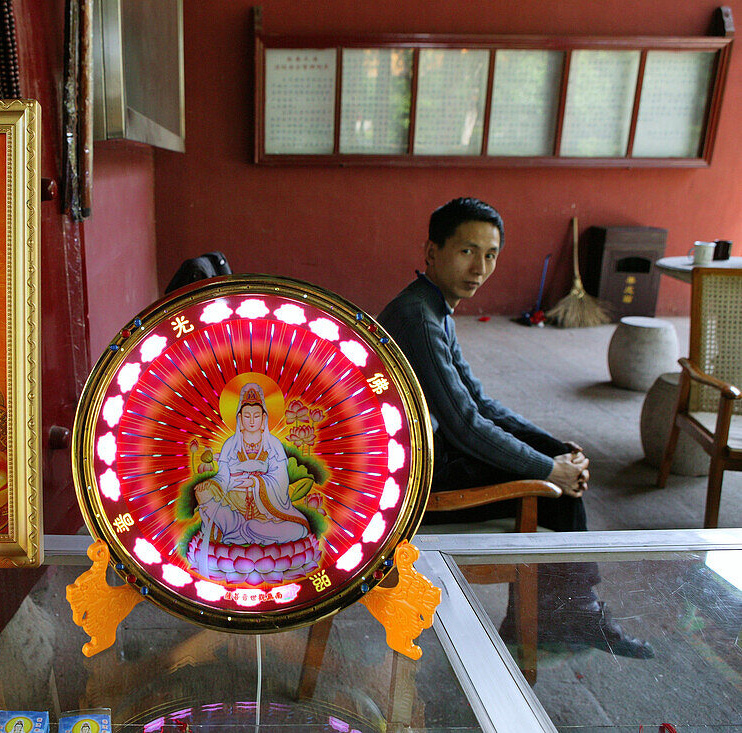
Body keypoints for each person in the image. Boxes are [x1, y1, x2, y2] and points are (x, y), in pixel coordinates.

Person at [378, 197, 652, 658]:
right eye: (467, 251)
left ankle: (561, 615)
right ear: (431, 252)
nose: (480, 267)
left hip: (432, 455)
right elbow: (465, 425)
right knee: (558, 491)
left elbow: (479, 402)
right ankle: (562, 617)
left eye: (490, 254)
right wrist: (550, 468)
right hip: (415, 485)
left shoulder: (432, 307)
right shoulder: (417, 317)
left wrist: (555, 448)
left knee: (558, 477)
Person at [195, 382, 310, 545]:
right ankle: (239, 529)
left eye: (256, 416)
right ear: (239, 418)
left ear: (264, 418)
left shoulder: (273, 445)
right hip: (235, 506)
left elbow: (281, 480)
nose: (251, 421)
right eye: (247, 416)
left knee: (299, 530)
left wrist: (255, 482)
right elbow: (222, 477)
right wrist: (210, 484)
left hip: (269, 512)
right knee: (204, 493)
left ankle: (244, 532)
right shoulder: (230, 445)